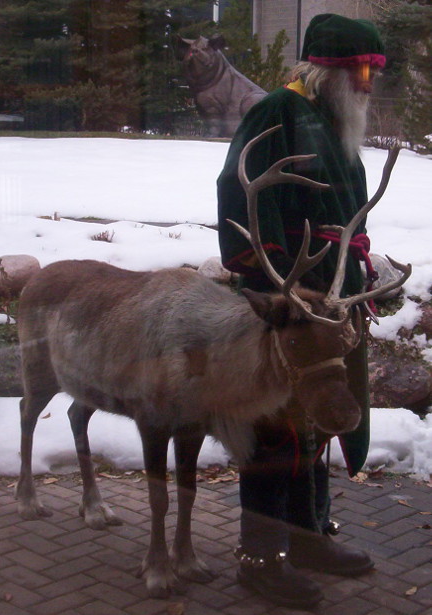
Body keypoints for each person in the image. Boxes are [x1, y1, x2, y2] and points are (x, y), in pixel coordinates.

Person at [217, 13, 386, 609]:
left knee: (315, 426)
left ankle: (309, 536)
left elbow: (349, 211)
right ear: (327, 70)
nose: (368, 83)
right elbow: (238, 201)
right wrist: (275, 286)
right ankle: (260, 560)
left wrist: (363, 267)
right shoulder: (277, 114)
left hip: (336, 300)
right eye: (360, 70)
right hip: (290, 306)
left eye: (372, 70)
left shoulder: (334, 120)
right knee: (276, 433)